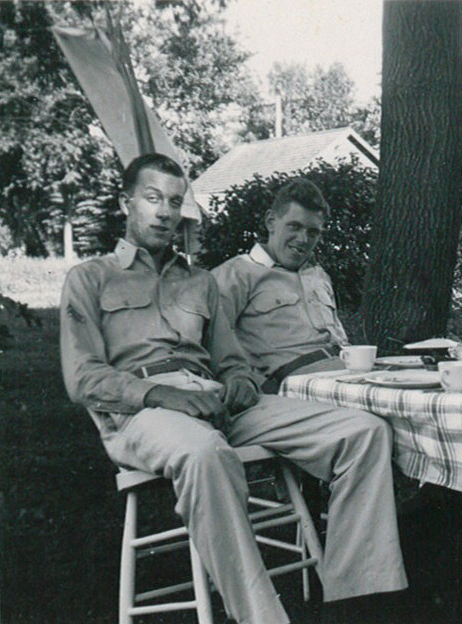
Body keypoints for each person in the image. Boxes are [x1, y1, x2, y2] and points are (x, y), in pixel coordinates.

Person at [60, 154, 407, 624]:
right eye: (153, 198)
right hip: (143, 414)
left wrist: (240, 382)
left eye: (175, 202)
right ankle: (262, 617)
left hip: (214, 401)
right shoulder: (89, 278)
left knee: (364, 432)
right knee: (206, 453)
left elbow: (230, 361)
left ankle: (352, 603)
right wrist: (164, 395)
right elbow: (82, 376)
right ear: (127, 203)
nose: (165, 212)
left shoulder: (199, 282)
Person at [211, 178, 347, 395]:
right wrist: (256, 384)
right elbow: (213, 344)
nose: (303, 239)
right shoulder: (236, 274)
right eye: (295, 226)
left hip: (347, 370)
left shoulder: (318, 276)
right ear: (271, 222)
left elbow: (340, 337)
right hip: (295, 384)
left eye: (313, 232)